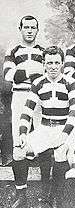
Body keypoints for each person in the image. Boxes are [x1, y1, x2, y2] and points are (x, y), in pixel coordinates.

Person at [7, 46, 75, 208]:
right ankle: (21, 195)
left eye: (56, 62)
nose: (53, 66)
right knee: (18, 151)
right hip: (45, 128)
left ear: (62, 63)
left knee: (60, 153)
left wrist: (65, 134)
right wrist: (23, 133)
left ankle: (56, 199)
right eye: (49, 63)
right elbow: (27, 111)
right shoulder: (38, 83)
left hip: (65, 128)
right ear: (44, 64)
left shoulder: (70, 83)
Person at [2, 15, 44, 166]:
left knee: (39, 124)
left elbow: (46, 75)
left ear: (37, 30)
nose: (29, 31)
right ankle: (19, 158)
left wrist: (23, 73)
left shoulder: (43, 52)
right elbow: (9, 75)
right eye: (26, 27)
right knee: (19, 125)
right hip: (19, 94)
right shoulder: (13, 51)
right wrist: (33, 72)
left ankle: (39, 157)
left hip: (39, 95)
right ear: (20, 29)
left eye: (33, 28)